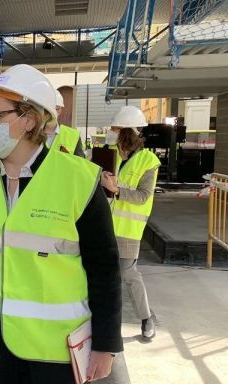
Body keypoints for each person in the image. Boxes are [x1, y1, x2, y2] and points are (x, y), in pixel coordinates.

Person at [0, 64, 123, 383]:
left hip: (52, 352)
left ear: (29, 118)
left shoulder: (78, 178)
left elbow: (104, 267)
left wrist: (106, 344)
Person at [100, 105, 160, 340]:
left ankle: (146, 318)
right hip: (103, 225)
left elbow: (144, 196)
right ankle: (102, 320)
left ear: (126, 132)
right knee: (101, 274)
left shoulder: (148, 161)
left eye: (115, 128)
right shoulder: (108, 153)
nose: (111, 132)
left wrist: (115, 190)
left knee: (128, 274)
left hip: (127, 230)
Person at [44, 89, 84, 156]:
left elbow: (79, 164)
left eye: (53, 109)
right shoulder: (30, 134)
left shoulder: (73, 136)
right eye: (46, 109)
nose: (49, 113)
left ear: (59, 111)